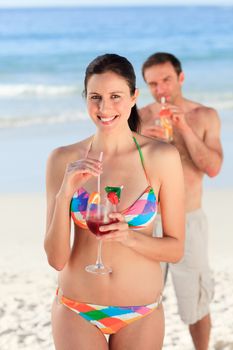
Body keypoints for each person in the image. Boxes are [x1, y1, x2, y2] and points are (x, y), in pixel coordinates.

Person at [44, 53, 185, 350]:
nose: (104, 107)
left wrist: (128, 237)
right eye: (95, 96)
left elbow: (175, 250)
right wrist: (64, 194)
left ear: (134, 97)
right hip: (76, 309)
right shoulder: (63, 160)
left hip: (141, 312)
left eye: (115, 96)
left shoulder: (161, 158)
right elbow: (56, 258)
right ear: (85, 98)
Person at [139, 52, 223, 350]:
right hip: (147, 222)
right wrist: (141, 146)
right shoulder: (139, 117)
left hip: (189, 220)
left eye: (166, 80)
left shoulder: (205, 116)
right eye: (153, 84)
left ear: (181, 78)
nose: (160, 89)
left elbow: (212, 168)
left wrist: (183, 128)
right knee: (142, 300)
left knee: (196, 302)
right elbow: (123, 175)